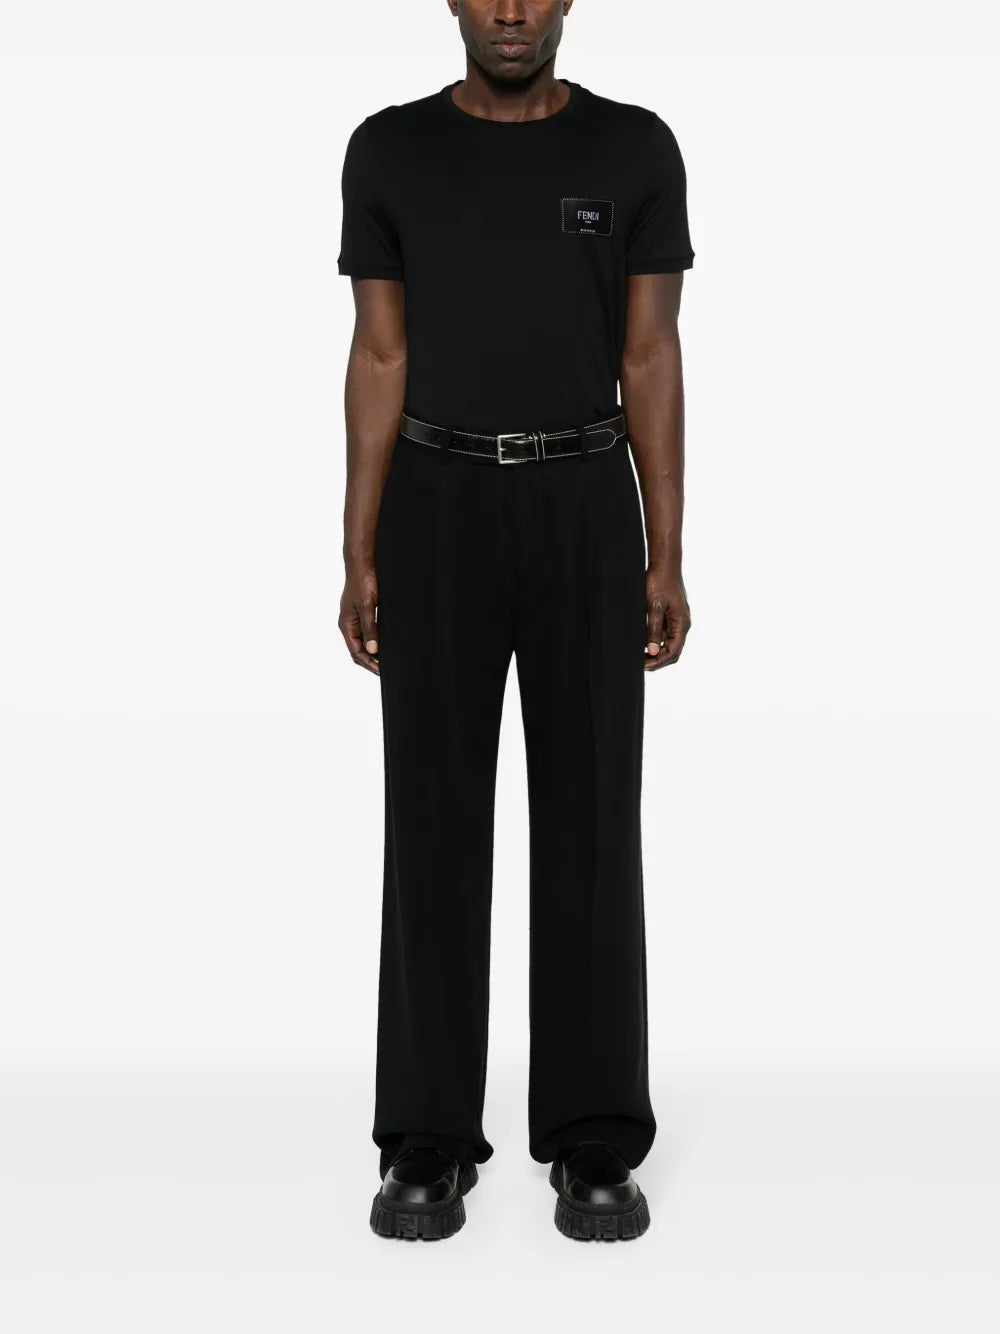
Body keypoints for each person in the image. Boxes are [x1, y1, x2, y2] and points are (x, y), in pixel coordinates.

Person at [337, 0, 694, 1243]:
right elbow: (380, 355)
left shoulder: (633, 149)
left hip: (584, 498)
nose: (508, 8)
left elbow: (649, 355)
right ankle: (425, 1135)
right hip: (434, 500)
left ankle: (593, 1132)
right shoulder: (389, 150)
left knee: (592, 813)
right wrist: (358, 540)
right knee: (432, 814)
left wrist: (664, 546)